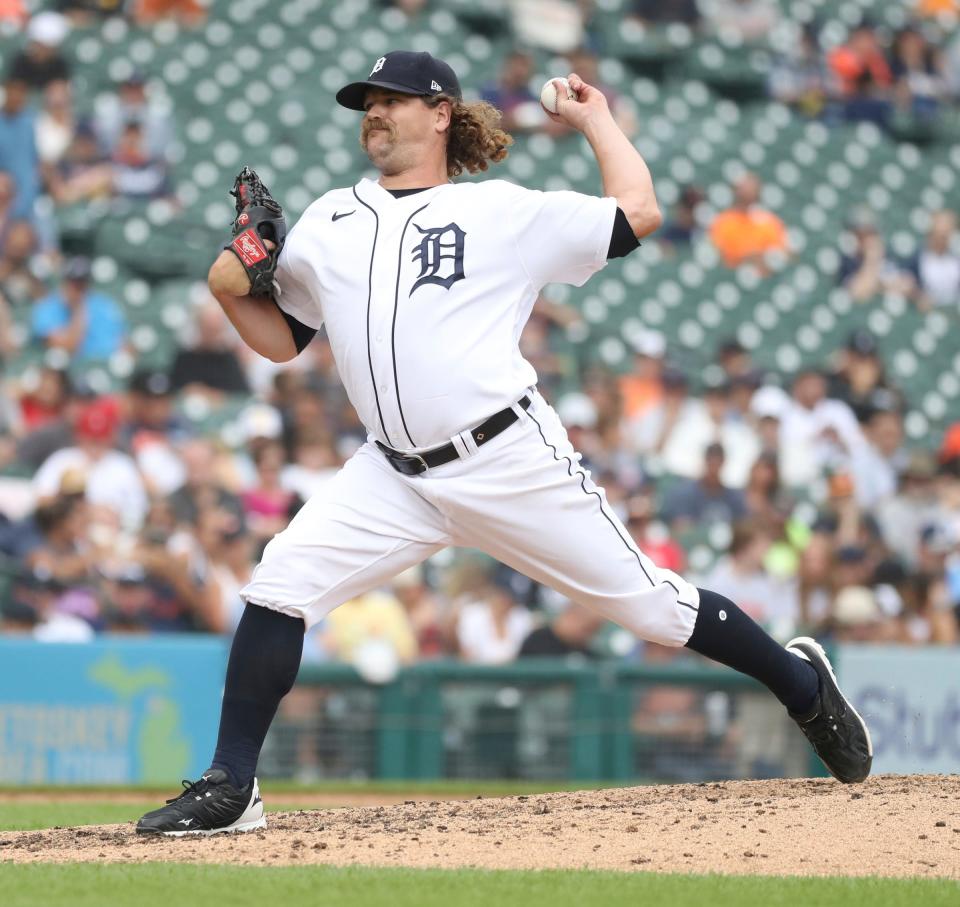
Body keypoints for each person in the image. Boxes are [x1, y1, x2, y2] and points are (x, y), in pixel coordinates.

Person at [136, 50, 871, 837]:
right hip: (391, 473)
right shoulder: (328, 220)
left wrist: (595, 119)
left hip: (505, 457)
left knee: (654, 608)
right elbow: (284, 340)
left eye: (393, 100)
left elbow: (639, 210)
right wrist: (227, 291)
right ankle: (233, 783)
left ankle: (802, 683)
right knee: (279, 582)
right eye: (367, 102)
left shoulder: (500, 214)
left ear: (441, 112)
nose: (374, 113)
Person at [708, 172, 788, 272]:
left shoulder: (769, 222)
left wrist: (758, 257)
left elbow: (778, 255)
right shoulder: (723, 221)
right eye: (744, 188)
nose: (747, 192)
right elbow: (718, 254)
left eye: (751, 188)